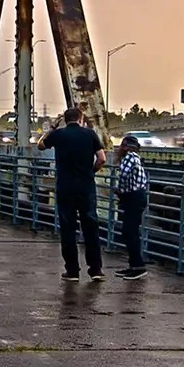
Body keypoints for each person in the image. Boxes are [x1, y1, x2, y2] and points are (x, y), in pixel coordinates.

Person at [40, 106, 106, 281]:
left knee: (68, 229)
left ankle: (72, 271)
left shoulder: (58, 134)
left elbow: (40, 145)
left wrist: (53, 127)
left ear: (65, 119)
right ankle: (96, 270)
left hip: (65, 187)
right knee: (91, 227)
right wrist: (91, 172)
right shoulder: (90, 134)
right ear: (80, 118)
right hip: (85, 187)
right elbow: (102, 158)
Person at [113, 136, 151, 280]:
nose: (119, 149)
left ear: (126, 147)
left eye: (122, 146)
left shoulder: (129, 157)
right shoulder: (135, 158)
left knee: (130, 231)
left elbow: (123, 175)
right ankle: (133, 265)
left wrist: (120, 190)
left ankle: (138, 266)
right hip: (136, 197)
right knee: (130, 231)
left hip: (134, 197)